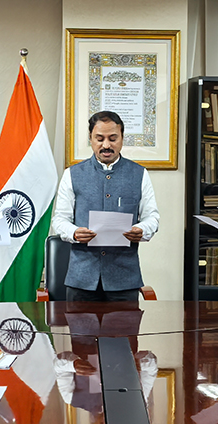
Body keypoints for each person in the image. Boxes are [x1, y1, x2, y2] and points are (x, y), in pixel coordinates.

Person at [51, 111, 161, 301]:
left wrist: (141, 230)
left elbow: (152, 217)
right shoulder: (72, 174)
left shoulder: (139, 174)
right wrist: (75, 232)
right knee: (81, 332)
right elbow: (59, 219)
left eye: (113, 138)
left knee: (124, 331)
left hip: (125, 280)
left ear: (122, 138)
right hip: (81, 281)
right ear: (91, 139)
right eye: (99, 138)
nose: (106, 145)